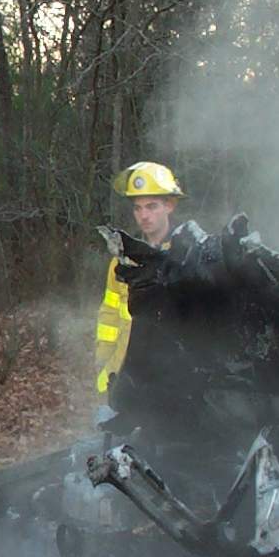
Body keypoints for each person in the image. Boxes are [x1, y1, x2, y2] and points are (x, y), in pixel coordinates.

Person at [95, 161, 184, 395]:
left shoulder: (186, 257)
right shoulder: (123, 261)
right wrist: (103, 361)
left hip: (173, 380)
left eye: (152, 206)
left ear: (169, 205)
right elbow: (110, 313)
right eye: (138, 208)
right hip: (125, 376)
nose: (144, 215)